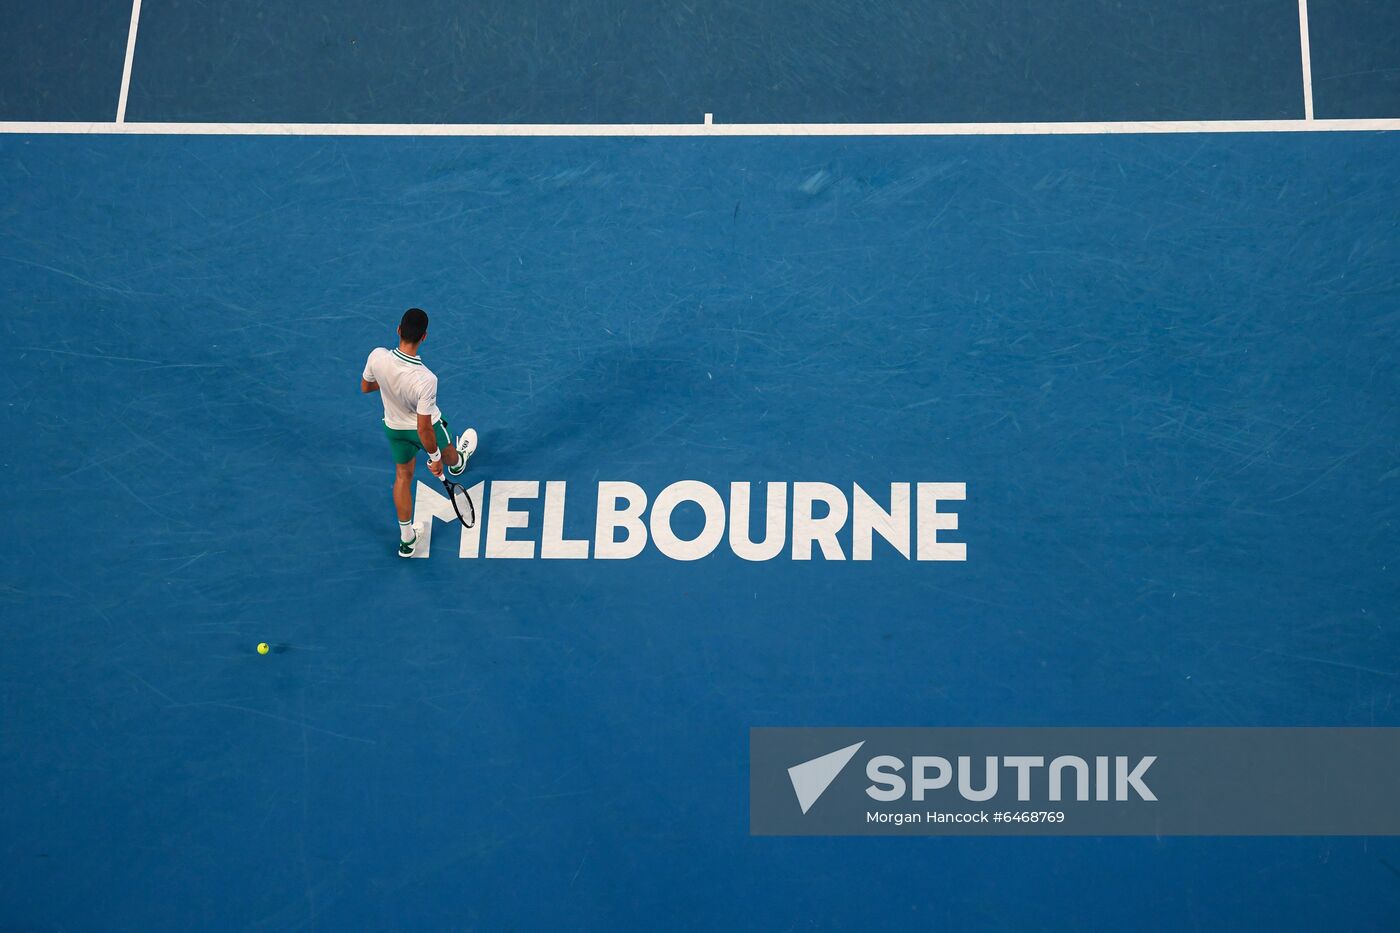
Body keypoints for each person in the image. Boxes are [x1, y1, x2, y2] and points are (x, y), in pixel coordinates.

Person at [361, 308, 477, 556]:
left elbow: (366, 386)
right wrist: (435, 460)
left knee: (403, 477)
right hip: (422, 429)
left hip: (394, 429)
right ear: (424, 337)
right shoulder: (426, 379)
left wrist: (391, 383)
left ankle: (407, 540)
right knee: (448, 454)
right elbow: (424, 427)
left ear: (398, 330)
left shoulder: (377, 356)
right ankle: (458, 463)